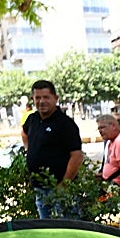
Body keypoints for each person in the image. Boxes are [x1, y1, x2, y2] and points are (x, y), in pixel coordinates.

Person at [21, 80, 83, 218]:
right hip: (39, 189)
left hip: (60, 189)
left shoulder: (66, 124)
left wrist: (64, 185)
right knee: (47, 232)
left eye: (46, 97)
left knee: (68, 230)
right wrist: (29, 150)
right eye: (38, 98)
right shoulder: (32, 119)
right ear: (33, 99)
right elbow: (24, 132)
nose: (42, 101)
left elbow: (77, 156)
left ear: (56, 98)